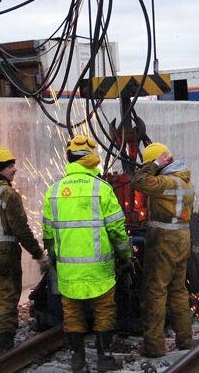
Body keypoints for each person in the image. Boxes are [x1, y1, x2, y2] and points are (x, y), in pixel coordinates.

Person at [42, 135, 132, 373]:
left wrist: (54, 258)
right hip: (99, 269)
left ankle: (77, 358)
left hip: (68, 270)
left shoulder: (53, 191)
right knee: (104, 310)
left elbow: (48, 234)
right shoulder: (101, 189)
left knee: (71, 311)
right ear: (92, 159)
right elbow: (117, 230)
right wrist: (126, 256)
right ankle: (104, 358)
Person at [0, 147, 50, 353]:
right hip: (5, 256)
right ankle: (6, 348)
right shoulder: (8, 194)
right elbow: (21, 230)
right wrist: (39, 255)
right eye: (9, 166)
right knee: (7, 297)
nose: (14, 169)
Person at [130, 142, 195, 357]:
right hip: (182, 239)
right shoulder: (185, 182)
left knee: (156, 292)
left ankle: (154, 347)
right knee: (178, 290)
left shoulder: (166, 182)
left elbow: (137, 182)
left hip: (163, 242)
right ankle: (185, 340)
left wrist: (153, 165)